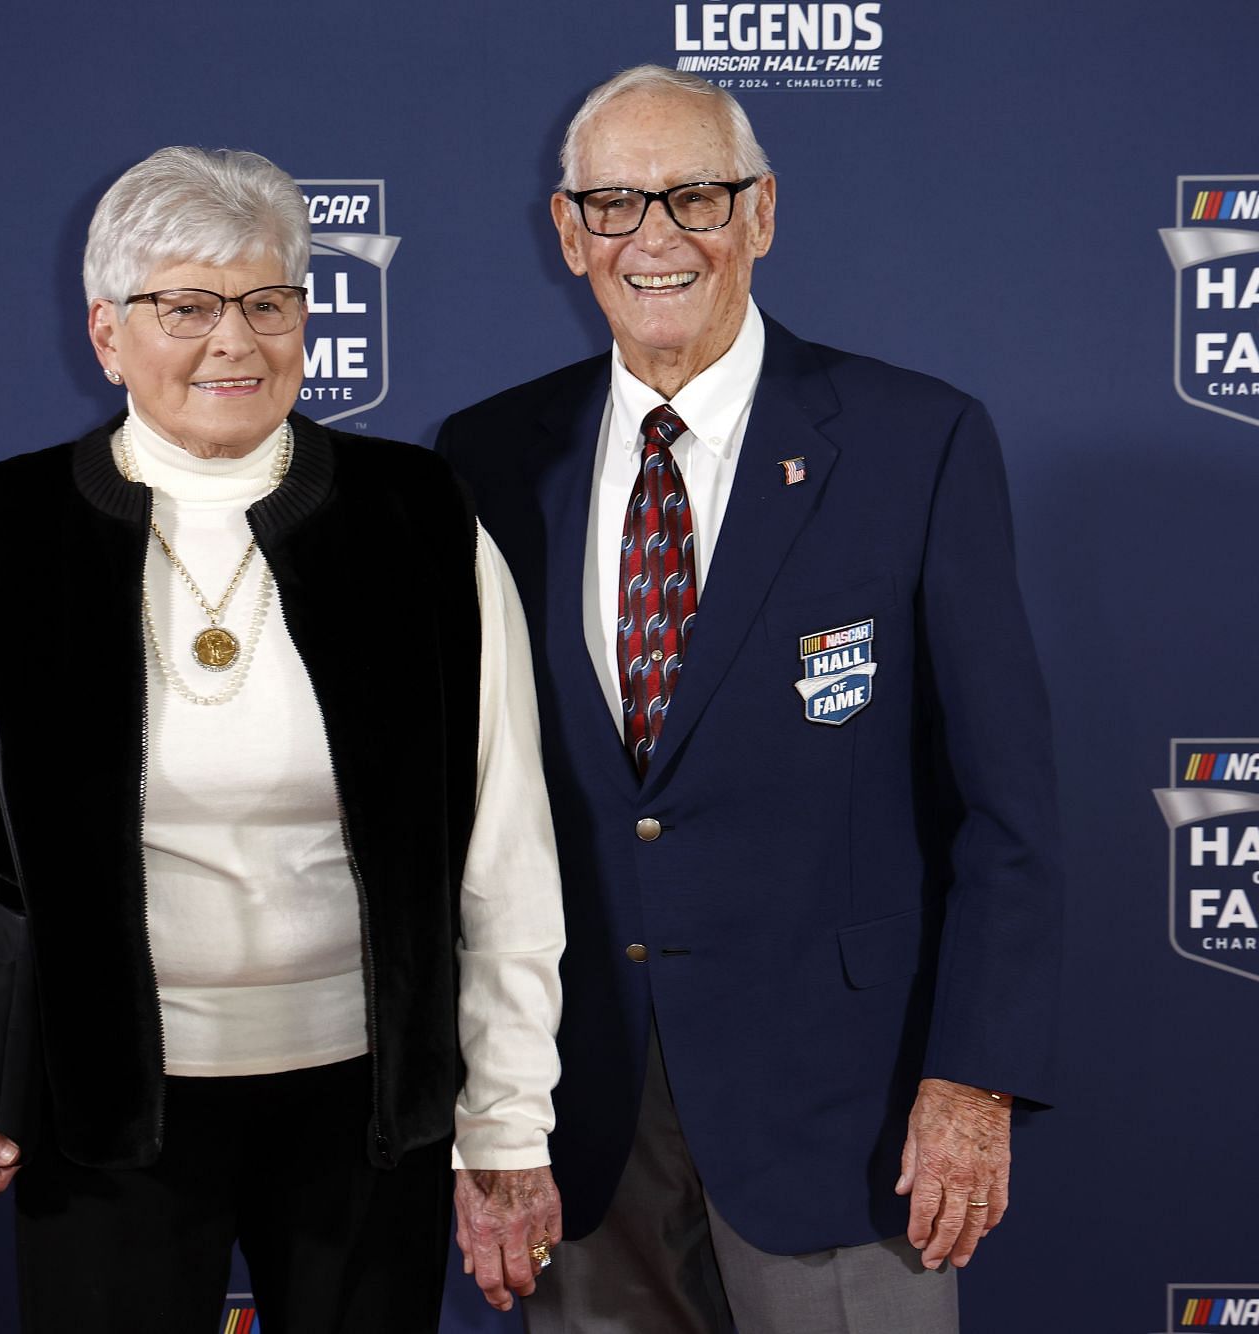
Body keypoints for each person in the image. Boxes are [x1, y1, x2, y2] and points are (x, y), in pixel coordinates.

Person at [0, 145, 564, 1332]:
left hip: (367, 1110)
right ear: (108, 334)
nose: (236, 340)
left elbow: (505, 848)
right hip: (100, 1107)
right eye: (186, 305)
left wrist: (509, 1119)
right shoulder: (3, 533)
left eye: (270, 301)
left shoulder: (418, 517)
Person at [435, 67, 1062, 1333]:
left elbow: (1007, 807)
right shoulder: (490, 457)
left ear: (762, 213)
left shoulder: (912, 440)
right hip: (583, 1115)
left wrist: (973, 1080)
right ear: (567, 232)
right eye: (614, 203)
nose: (654, 237)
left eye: (696, 197)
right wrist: (483, 1114)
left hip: (849, 1117)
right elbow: (467, 807)